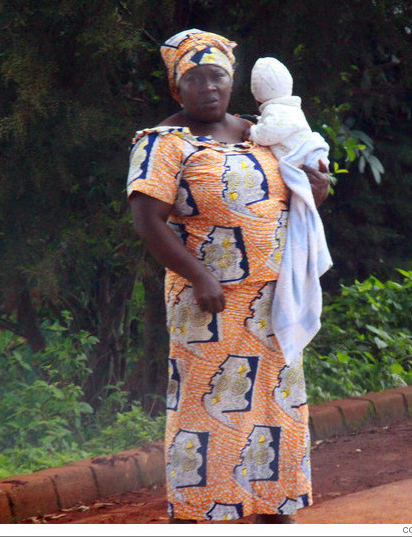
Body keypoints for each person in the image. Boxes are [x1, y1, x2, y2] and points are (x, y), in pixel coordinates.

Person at [126, 29, 330, 524]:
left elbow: (298, 202)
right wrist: (198, 276)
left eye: (216, 75)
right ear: (177, 89)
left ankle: (274, 506)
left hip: (273, 301)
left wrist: (319, 187)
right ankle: (198, 512)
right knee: (206, 408)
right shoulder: (163, 144)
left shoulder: (263, 131)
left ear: (231, 80)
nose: (208, 86)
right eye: (194, 78)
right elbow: (146, 220)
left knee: (276, 404)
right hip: (210, 305)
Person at [248, 57, 333, 366]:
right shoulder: (284, 110)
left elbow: (270, 134)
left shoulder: (281, 113)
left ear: (258, 96)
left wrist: (253, 133)